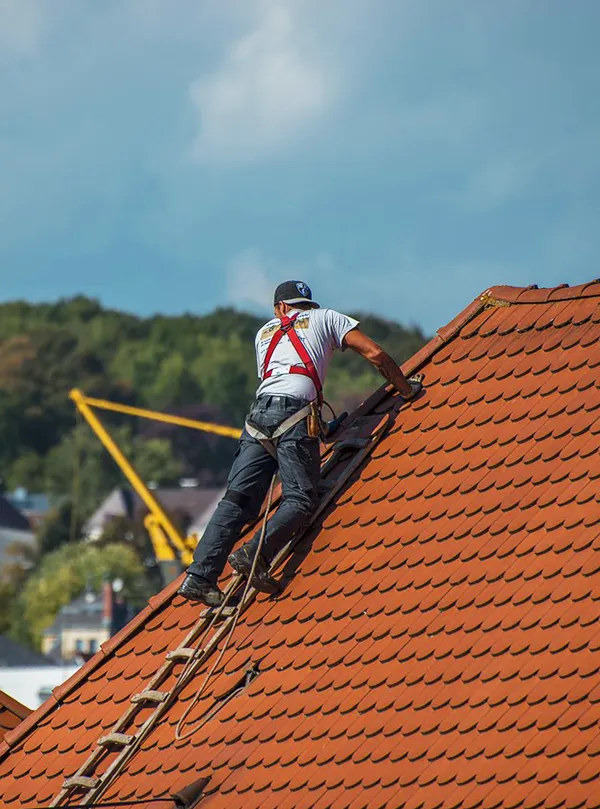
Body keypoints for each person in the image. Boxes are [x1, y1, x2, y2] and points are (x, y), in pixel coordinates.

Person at [178, 280, 422, 607]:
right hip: (294, 414)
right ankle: (254, 554)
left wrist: (319, 429)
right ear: (307, 305)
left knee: (236, 500)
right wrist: (406, 389)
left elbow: (281, 381)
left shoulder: (263, 333)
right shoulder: (326, 317)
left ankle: (199, 577)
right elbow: (375, 354)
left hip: (258, 419)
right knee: (301, 499)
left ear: (280, 308)